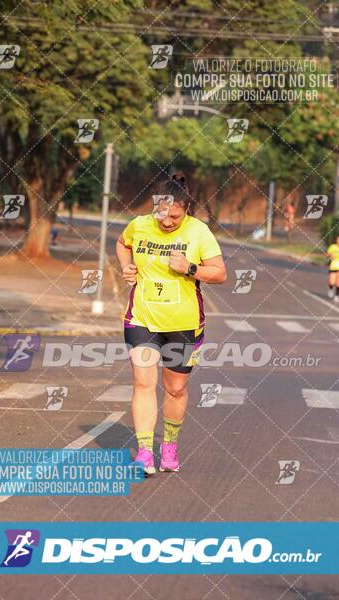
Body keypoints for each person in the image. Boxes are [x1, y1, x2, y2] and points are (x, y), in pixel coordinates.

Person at [116, 173, 226, 475]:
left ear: (186, 209)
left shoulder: (198, 232)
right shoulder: (139, 225)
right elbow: (122, 243)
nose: (167, 222)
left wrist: (190, 268)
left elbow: (219, 273)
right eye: (162, 214)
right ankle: (144, 452)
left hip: (184, 324)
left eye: (174, 216)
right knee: (143, 382)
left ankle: (170, 446)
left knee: (175, 388)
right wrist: (126, 265)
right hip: (142, 318)